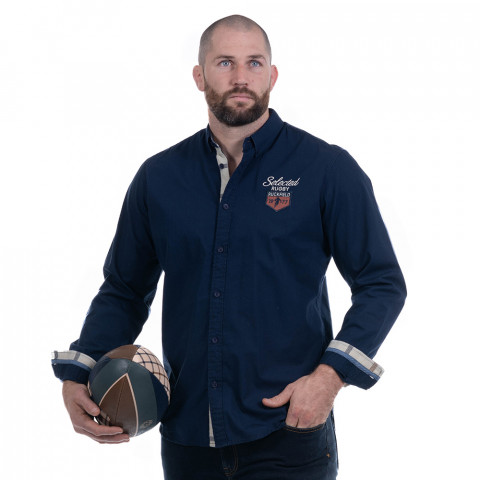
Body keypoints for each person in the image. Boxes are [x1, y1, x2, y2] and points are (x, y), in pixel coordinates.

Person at [52, 14, 406, 480]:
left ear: (272, 75)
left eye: (254, 63)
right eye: (225, 63)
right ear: (199, 76)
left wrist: (329, 377)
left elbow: (381, 283)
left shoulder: (325, 168)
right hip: (187, 438)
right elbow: (124, 289)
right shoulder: (159, 178)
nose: (241, 77)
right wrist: (78, 372)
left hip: (289, 431)